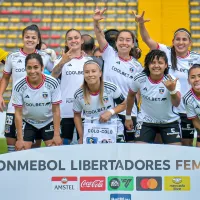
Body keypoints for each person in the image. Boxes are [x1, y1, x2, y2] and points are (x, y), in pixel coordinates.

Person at [135, 11, 200, 146]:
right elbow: (147, 40)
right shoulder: (166, 52)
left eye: (184, 39)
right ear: (173, 41)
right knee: (160, 148)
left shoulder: (196, 57)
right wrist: (141, 24)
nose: (180, 42)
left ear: (190, 42)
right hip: (168, 111)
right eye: (178, 39)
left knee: (185, 148)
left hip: (188, 109)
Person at [0, 24, 54, 152]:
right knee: (12, 146)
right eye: (27, 37)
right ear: (23, 38)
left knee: (31, 148)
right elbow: (6, 78)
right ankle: (12, 170)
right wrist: (0, 94)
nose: (30, 40)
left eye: (33, 38)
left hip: (36, 107)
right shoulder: (12, 57)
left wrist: (59, 59)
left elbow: (56, 74)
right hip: (14, 106)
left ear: (38, 40)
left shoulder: (45, 56)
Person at [93, 8, 143, 142]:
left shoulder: (138, 66)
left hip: (128, 113)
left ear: (133, 44)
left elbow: (137, 93)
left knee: (129, 148)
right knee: (107, 148)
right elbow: (99, 35)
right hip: (106, 110)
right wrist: (96, 22)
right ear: (116, 42)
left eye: (128, 40)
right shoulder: (109, 54)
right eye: (121, 39)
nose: (124, 43)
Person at [125, 49, 182, 145]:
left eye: (160, 63)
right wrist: (128, 117)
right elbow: (131, 96)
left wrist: (172, 90)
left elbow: (176, 103)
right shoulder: (139, 78)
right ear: (147, 65)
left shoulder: (172, 80)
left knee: (175, 155)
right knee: (139, 152)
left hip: (169, 121)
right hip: (146, 121)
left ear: (166, 65)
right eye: (153, 62)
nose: (156, 66)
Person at [12, 53, 62, 150]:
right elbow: (18, 113)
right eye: (29, 68)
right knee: (22, 150)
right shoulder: (19, 85)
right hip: (28, 122)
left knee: (55, 150)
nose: (32, 71)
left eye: (36, 67)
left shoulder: (52, 83)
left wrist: (56, 135)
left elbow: (56, 111)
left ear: (42, 68)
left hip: (48, 121)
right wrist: (19, 139)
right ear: (25, 68)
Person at [52, 29, 91, 145]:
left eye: (76, 38)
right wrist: (62, 62)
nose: (73, 41)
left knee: (84, 144)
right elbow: (53, 77)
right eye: (70, 39)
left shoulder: (88, 61)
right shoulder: (60, 61)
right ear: (66, 42)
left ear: (82, 40)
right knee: (65, 145)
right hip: (66, 111)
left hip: (86, 111)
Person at [73, 57, 126, 144]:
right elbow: (77, 115)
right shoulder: (78, 94)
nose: (90, 74)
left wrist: (110, 112)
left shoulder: (111, 88)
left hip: (112, 125)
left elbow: (124, 105)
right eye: (87, 72)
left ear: (100, 73)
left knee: (116, 155)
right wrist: (81, 136)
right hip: (90, 128)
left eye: (93, 71)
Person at [183, 64, 200, 147]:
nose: (197, 79)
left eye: (199, 76)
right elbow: (196, 121)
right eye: (193, 77)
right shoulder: (187, 99)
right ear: (188, 81)